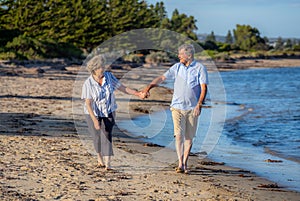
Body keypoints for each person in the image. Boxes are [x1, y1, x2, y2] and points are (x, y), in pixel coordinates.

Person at [141, 44, 208, 174]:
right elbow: (162, 78)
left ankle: (185, 162)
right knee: (178, 135)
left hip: (192, 108)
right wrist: (149, 87)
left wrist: (199, 104)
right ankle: (180, 163)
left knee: (189, 138)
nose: (178, 56)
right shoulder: (176, 67)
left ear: (188, 55)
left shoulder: (200, 68)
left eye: (180, 54)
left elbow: (204, 88)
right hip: (177, 107)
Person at [81, 55, 144, 171]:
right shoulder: (88, 84)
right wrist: (95, 120)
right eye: (101, 67)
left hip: (109, 110)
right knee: (96, 137)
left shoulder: (109, 77)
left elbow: (122, 88)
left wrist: (137, 93)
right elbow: (88, 104)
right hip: (92, 113)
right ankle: (99, 158)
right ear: (95, 68)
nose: (104, 68)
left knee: (107, 134)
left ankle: (108, 162)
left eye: (104, 66)